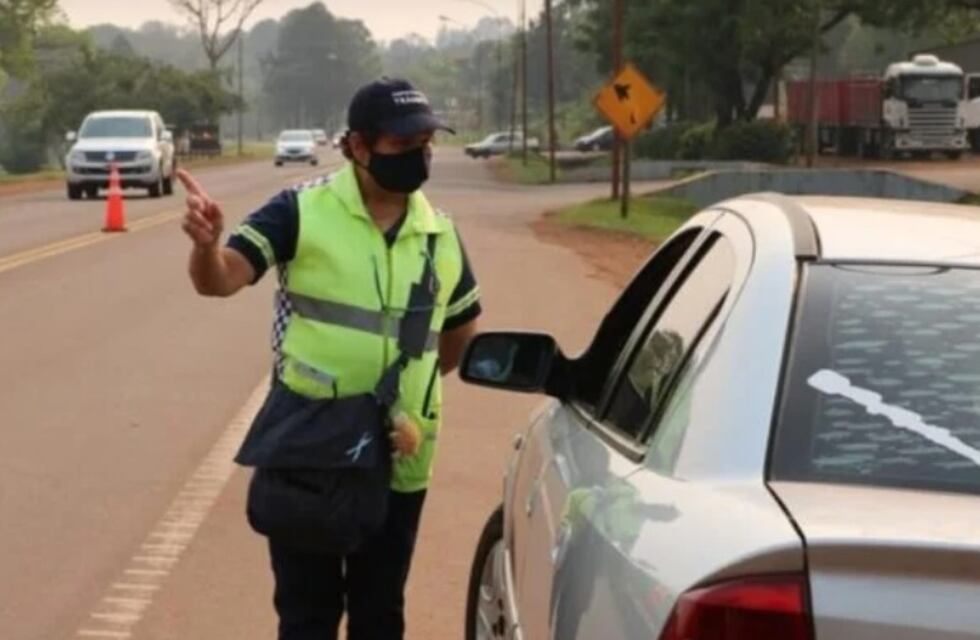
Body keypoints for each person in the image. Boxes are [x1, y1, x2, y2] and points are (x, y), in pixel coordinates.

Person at [177, 77, 481, 640]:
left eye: (426, 144)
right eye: (403, 144)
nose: (419, 156)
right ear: (358, 147)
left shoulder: (441, 234)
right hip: (310, 453)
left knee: (380, 614)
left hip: (400, 458)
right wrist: (205, 247)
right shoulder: (299, 210)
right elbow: (220, 281)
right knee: (307, 617)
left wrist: (398, 399)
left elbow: (460, 338)